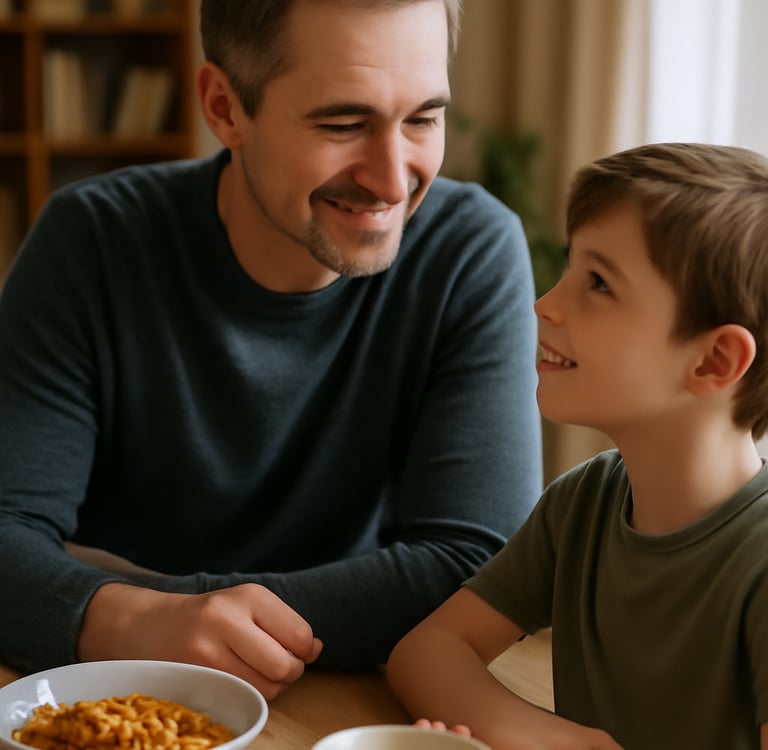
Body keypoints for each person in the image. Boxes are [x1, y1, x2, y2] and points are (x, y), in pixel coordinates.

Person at [0, 0, 543, 699]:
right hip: (113, 690)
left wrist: (134, 608)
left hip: (337, 699)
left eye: (423, 119)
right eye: (343, 124)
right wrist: (142, 624)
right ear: (225, 108)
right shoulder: (92, 241)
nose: (392, 179)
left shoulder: (469, 251)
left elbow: (477, 569)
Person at [386, 142, 768, 750]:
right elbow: (426, 652)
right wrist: (568, 743)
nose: (545, 304)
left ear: (715, 360)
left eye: (598, 283)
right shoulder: (583, 504)